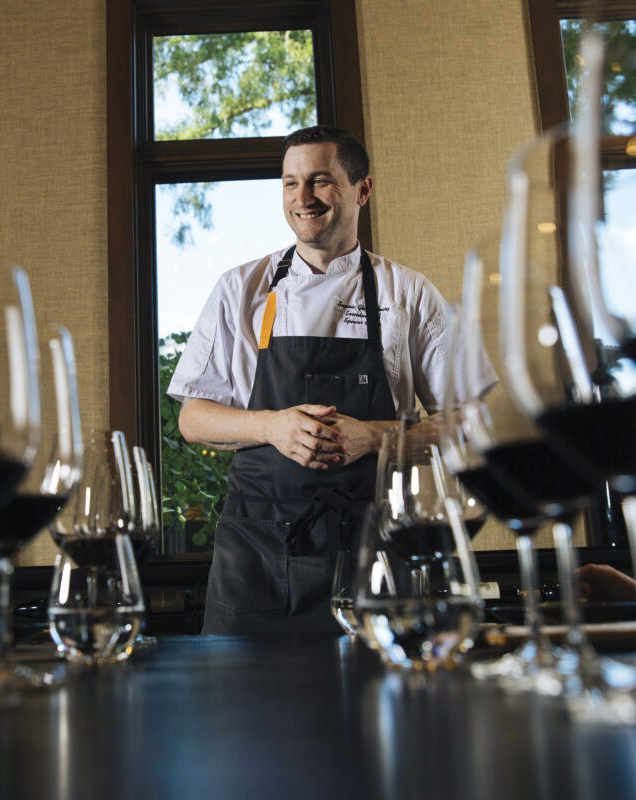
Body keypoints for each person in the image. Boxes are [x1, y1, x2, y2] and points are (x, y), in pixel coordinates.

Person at [167, 126, 452, 634]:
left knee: (381, 708)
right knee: (247, 708)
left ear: (362, 189)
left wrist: (375, 438)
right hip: (255, 554)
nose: (302, 199)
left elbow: (466, 424)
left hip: (376, 548)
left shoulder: (408, 292)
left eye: (320, 181)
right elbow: (193, 418)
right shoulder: (240, 289)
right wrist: (273, 427)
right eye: (289, 183)